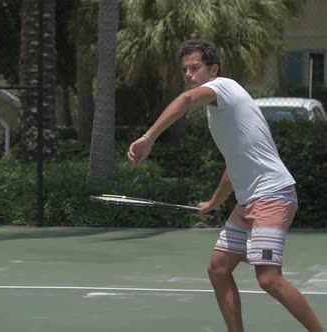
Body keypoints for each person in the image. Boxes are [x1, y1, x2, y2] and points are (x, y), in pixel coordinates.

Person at [126, 39, 324, 332]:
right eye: (185, 70)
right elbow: (233, 168)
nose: (188, 75)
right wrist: (214, 202)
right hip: (247, 203)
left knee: (268, 278)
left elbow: (184, 101)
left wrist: (148, 137)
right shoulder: (219, 113)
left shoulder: (224, 88)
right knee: (218, 269)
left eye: (195, 68)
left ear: (213, 69)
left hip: (273, 195)